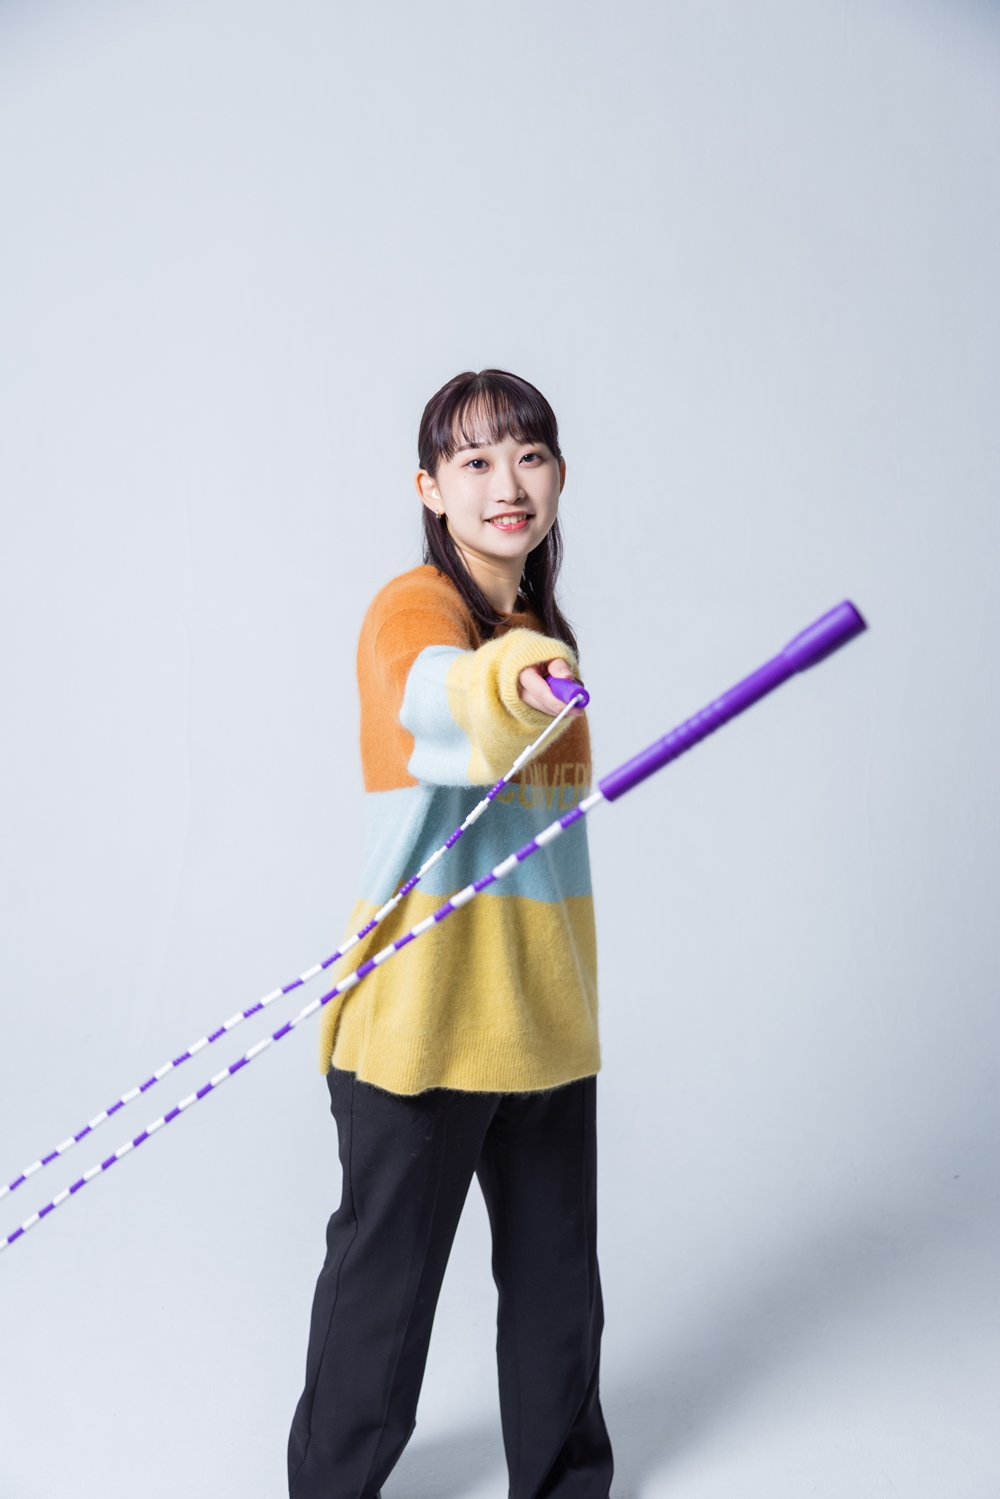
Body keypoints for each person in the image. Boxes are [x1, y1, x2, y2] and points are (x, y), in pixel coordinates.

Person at [288, 369, 613, 1499]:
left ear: (559, 475)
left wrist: (533, 656)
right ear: (429, 488)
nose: (505, 482)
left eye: (528, 454)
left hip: (544, 1015)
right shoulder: (416, 610)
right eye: (473, 461)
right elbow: (435, 693)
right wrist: (521, 678)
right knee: (381, 1297)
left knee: (559, 1287)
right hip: (422, 1021)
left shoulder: (540, 628)